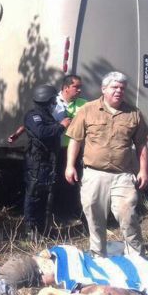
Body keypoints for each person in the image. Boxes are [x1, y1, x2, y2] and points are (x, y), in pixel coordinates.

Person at [64, 72, 148, 258]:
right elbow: (75, 140)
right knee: (94, 217)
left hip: (123, 175)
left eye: (122, 88)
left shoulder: (134, 113)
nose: (119, 91)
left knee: (127, 215)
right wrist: (70, 166)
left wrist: (143, 170)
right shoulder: (87, 110)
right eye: (114, 87)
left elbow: (142, 144)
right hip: (94, 174)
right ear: (104, 89)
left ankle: (136, 257)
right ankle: (98, 256)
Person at [9, 85, 70, 238]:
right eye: (52, 100)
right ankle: (31, 229)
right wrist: (61, 126)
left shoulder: (47, 115)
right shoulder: (34, 116)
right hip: (37, 162)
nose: (54, 103)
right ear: (46, 100)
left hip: (48, 161)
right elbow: (41, 132)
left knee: (46, 195)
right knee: (34, 194)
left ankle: (43, 228)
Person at [51, 75, 87, 221]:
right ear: (66, 88)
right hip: (55, 149)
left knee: (73, 181)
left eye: (80, 87)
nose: (79, 90)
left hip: (73, 150)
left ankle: (72, 211)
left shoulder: (83, 104)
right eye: (76, 87)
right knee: (56, 181)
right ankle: (56, 212)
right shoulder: (53, 103)